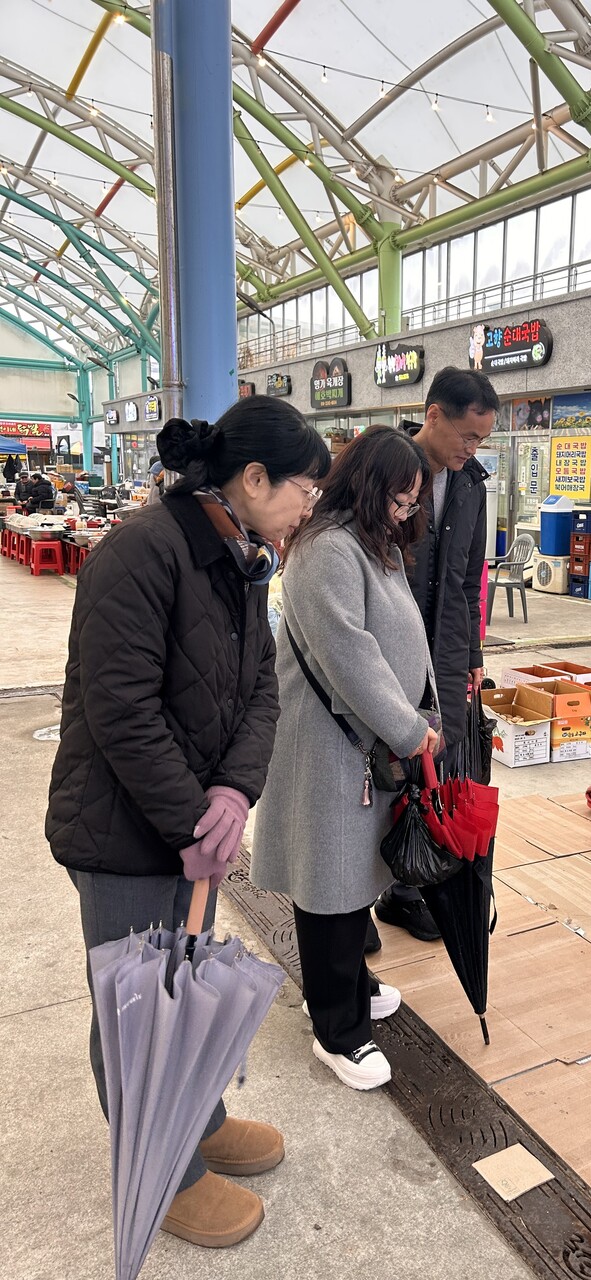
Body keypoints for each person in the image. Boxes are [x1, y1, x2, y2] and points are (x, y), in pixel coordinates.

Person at [46, 395, 330, 1250]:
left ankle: (197, 1121)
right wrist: (189, 821)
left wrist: (235, 794)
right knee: (135, 1008)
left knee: (183, 982)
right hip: (122, 832)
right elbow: (122, 711)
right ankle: (162, 1172)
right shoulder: (141, 552)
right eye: (306, 489)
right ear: (255, 478)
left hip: (189, 825)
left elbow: (260, 691)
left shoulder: (243, 557)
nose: (310, 506)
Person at [250, 426, 439, 1091]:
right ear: (368, 484)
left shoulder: (369, 542)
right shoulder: (328, 549)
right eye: (399, 499)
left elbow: (403, 638)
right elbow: (350, 656)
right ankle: (337, 1030)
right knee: (329, 882)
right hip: (331, 746)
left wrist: (423, 714)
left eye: (412, 503)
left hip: (364, 744)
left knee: (353, 875)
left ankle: (348, 983)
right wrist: (409, 727)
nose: (405, 513)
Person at [372, 366, 499, 945]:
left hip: (444, 648)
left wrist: (472, 651)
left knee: (433, 762)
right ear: (433, 415)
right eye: (467, 436)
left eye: (482, 440)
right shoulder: (388, 470)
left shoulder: (472, 484)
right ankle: (355, 897)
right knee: (377, 764)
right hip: (386, 645)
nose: (472, 449)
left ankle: (405, 890)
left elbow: (471, 577)